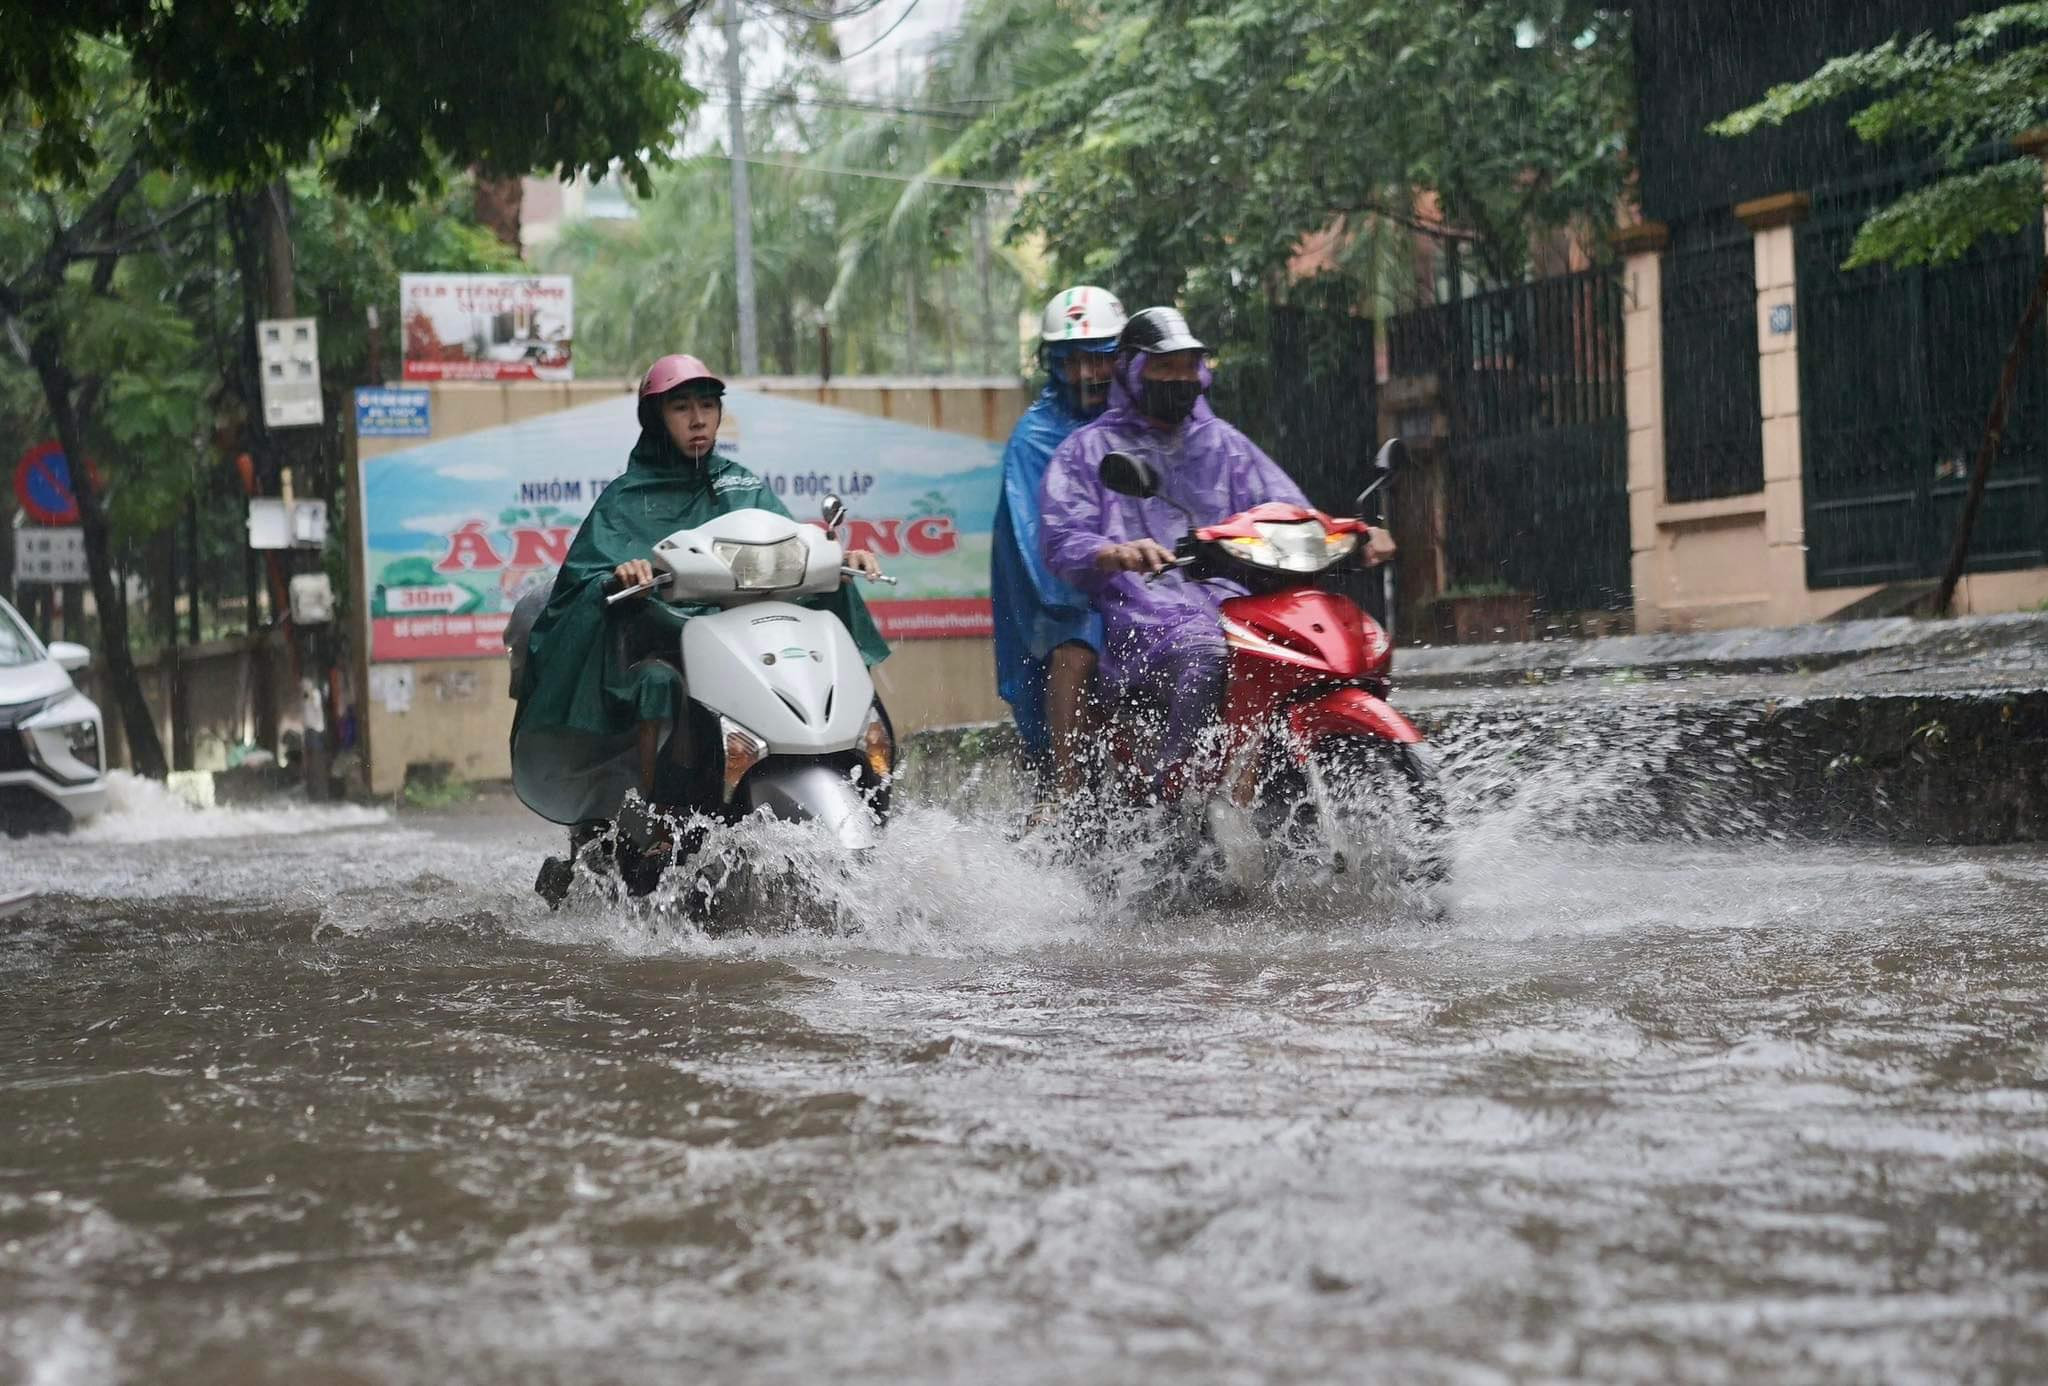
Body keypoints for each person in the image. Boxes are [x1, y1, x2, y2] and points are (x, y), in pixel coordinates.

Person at [510, 354, 889, 827]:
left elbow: (789, 543)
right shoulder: (627, 498)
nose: (697, 420)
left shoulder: (741, 484)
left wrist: (838, 559)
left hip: (744, 637)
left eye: (708, 406)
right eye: (681, 407)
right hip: (662, 643)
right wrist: (620, 576)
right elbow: (584, 578)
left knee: (827, 633)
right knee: (659, 684)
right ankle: (654, 818)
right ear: (656, 418)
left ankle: (868, 766)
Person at [1039, 307, 1396, 800]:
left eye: (1189, 365)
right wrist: (1116, 552)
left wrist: (1354, 533)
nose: (1179, 378)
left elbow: (1288, 510)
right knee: (1206, 656)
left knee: (1326, 644)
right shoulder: (1087, 450)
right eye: (1165, 366)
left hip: (1240, 602)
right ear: (1132, 371)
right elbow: (1062, 537)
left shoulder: (1225, 444)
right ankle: (1178, 798)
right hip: (1149, 610)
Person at [990, 285, 1126, 809]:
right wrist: (1099, 578)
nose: (1087, 374)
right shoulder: (1036, 437)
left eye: (1100, 359)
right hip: (1064, 591)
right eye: (1071, 361)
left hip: (1151, 580)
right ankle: (1066, 794)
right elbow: (1039, 547)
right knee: (1078, 641)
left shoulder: (1145, 420)